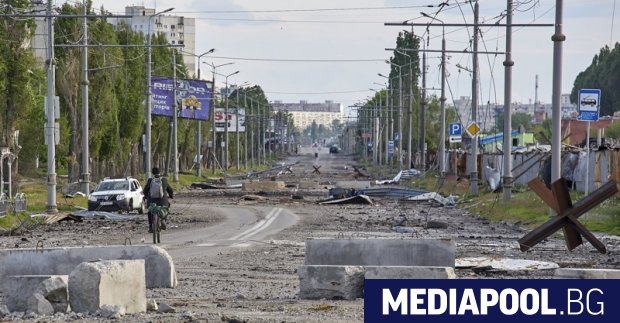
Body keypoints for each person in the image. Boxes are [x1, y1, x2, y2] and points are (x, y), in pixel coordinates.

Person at [143, 167, 174, 233]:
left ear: (152, 173)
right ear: (160, 172)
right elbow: (170, 190)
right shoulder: (164, 180)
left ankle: (151, 227)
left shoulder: (150, 180)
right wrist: (171, 196)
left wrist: (145, 197)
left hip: (152, 202)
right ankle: (163, 220)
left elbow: (145, 190)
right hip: (163, 201)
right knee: (166, 209)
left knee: (149, 212)